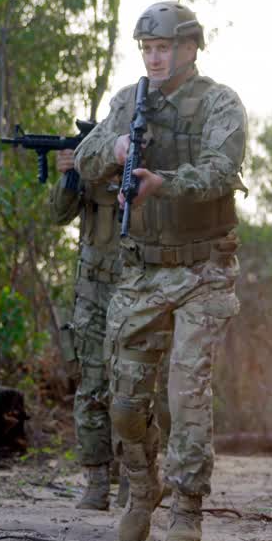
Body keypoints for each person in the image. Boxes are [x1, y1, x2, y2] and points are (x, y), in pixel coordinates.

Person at [73, 1, 247, 541]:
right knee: (125, 403)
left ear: (191, 47)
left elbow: (222, 172)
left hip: (203, 268)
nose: (154, 57)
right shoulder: (128, 102)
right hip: (142, 271)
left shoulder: (220, 102)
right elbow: (83, 157)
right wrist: (117, 146)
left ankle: (188, 506)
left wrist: (161, 182)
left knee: (187, 390)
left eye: (164, 47)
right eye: (147, 49)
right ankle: (142, 486)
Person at [48, 149, 170, 511]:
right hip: (93, 295)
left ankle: (136, 478)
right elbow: (58, 213)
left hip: (138, 290)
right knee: (91, 385)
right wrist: (71, 175)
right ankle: (97, 480)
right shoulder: (90, 166)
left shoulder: (153, 164)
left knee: (135, 387)